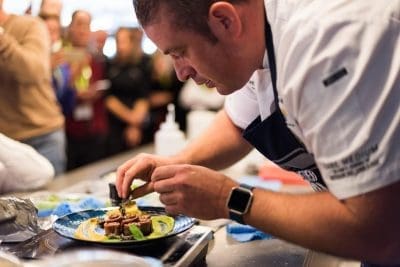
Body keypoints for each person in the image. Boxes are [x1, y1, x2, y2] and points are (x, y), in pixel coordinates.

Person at [115, 0, 400, 266]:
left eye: (180, 52)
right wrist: (174, 164)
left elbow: (378, 230)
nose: (180, 73)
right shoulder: (256, 39)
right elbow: (237, 123)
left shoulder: (326, 43)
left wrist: (226, 197)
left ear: (225, 21)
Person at [0, 0, 66, 174]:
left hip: (42, 136)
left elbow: (33, 72)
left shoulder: (31, 25)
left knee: (51, 199)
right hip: (6, 145)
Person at [64, 10, 108, 170]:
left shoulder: (98, 57)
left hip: (94, 127)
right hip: (69, 129)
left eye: (86, 25)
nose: (83, 30)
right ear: (70, 28)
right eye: (79, 24)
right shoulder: (61, 56)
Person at [105, 27, 151, 155]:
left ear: (132, 42)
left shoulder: (143, 63)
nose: (121, 46)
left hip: (139, 121)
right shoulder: (109, 64)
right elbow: (109, 98)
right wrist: (130, 119)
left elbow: (144, 96)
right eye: (118, 41)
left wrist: (135, 125)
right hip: (116, 123)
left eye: (124, 41)